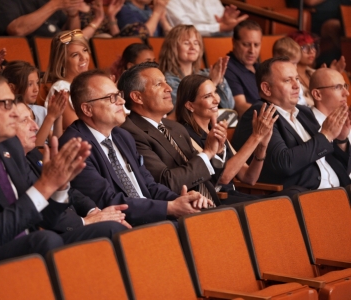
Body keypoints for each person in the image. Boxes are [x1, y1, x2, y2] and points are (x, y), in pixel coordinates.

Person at [0, 71, 127, 262]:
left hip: (33, 240)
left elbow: (47, 218)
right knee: (45, 240)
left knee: (113, 229)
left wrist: (59, 187)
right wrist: (45, 185)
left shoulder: (10, 146)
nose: (14, 113)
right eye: (6, 105)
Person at [59, 69, 212, 226]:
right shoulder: (74, 146)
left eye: (119, 95)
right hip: (122, 225)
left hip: (152, 217)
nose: (121, 102)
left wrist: (179, 200)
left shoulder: (122, 136)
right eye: (112, 98)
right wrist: (169, 207)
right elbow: (108, 200)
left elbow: (149, 185)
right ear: (87, 109)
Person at [231, 57, 351, 190]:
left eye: (297, 79)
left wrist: (341, 141)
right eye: (288, 80)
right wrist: (326, 135)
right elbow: (284, 163)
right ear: (266, 88)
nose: (296, 86)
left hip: (340, 191)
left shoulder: (305, 112)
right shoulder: (261, 114)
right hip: (304, 198)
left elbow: (340, 165)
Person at [14, 100, 131, 232]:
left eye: (33, 118)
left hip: (73, 221)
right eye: (24, 120)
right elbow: (38, 215)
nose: (35, 126)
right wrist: (85, 222)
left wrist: (93, 210)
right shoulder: (9, 166)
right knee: (113, 228)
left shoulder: (33, 154)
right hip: (57, 233)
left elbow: (70, 191)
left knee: (117, 223)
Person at [119, 62, 224, 205]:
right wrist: (208, 153)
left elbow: (206, 177)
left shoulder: (175, 127)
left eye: (166, 83)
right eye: (158, 84)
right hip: (178, 211)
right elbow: (166, 182)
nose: (168, 89)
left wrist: (217, 151)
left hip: (211, 203)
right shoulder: (130, 133)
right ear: (137, 97)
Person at [175, 74, 278, 201]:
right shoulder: (185, 134)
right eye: (207, 96)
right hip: (218, 201)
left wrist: (262, 145)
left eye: (215, 92)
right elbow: (223, 178)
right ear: (190, 105)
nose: (217, 100)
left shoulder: (214, 128)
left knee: (293, 193)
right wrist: (255, 136)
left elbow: (249, 177)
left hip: (234, 197)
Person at [158, 25, 234, 110]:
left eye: (196, 43)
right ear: (172, 47)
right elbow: (184, 110)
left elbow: (229, 107)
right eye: (186, 43)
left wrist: (220, 81)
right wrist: (213, 84)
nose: (193, 47)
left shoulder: (207, 74)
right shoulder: (167, 79)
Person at [2, 60, 67, 146]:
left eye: (37, 83)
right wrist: (50, 117)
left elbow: (56, 144)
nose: (36, 89)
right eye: (29, 84)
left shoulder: (42, 111)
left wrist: (58, 115)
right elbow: (33, 151)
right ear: (12, 88)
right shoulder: (11, 115)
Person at [44, 29, 92, 129]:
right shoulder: (61, 89)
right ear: (62, 62)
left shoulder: (90, 84)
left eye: (85, 50)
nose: (83, 58)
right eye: (75, 55)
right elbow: (76, 129)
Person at [287, 30, 346, 108]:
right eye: (304, 47)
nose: (311, 51)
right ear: (292, 50)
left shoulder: (315, 72)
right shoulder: (289, 79)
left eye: (313, 46)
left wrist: (331, 78)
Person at [0, 0, 85, 38]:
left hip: (59, 53)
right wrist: (54, 5)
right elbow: (17, 30)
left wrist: (73, 14)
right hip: (26, 57)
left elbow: (74, 36)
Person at [225, 20, 262, 117]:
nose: (252, 51)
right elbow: (240, 107)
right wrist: (274, 114)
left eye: (256, 45)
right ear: (234, 43)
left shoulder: (260, 67)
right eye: (246, 44)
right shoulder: (227, 68)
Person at [310, 68, 351, 142]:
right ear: (317, 94)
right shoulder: (308, 124)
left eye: (345, 86)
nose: (347, 93)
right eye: (338, 87)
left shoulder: (346, 121)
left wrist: (342, 140)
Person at [165, 1, 248, 37]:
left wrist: (226, 23)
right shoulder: (172, 2)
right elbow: (185, 29)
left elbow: (225, 24)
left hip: (219, 42)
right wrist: (220, 27)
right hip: (191, 46)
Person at [272, 36, 311, 107]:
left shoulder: (294, 79)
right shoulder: (276, 81)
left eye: (296, 63)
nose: (295, 67)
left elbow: (301, 97)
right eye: (292, 63)